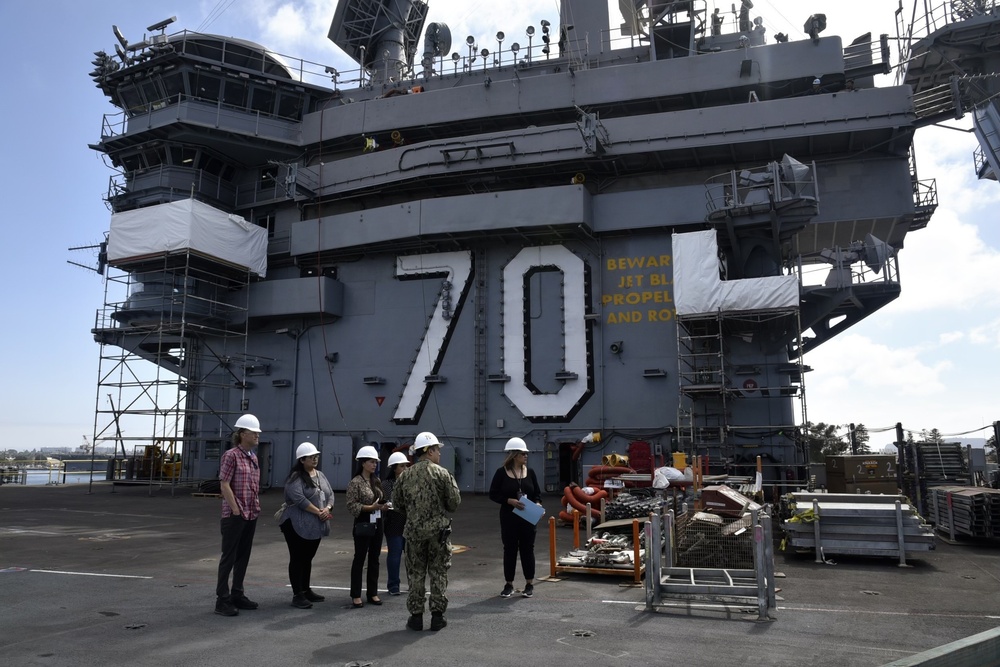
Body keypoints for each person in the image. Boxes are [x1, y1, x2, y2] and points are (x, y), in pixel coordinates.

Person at [392, 431, 461, 632]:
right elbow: (454, 503)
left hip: (413, 533)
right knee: (438, 572)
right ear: (429, 451)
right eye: (437, 450)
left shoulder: (405, 475)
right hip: (438, 533)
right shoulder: (442, 473)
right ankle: (437, 617)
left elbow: (397, 504)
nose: (439, 454)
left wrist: (414, 512)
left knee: (416, 573)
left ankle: (415, 618)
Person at [215, 414, 263, 616]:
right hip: (235, 515)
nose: (257, 436)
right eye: (254, 433)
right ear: (242, 434)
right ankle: (222, 600)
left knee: (243, 556)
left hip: (251, 514)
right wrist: (235, 509)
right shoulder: (231, 455)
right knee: (229, 557)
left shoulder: (253, 457)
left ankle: (237, 593)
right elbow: (224, 483)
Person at [278, 442, 334, 609]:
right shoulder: (295, 478)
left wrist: (328, 508)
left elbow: (330, 495)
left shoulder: (320, 475)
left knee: (308, 557)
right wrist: (319, 512)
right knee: (297, 557)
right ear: (302, 460)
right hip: (295, 523)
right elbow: (300, 500)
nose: (315, 459)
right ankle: (297, 594)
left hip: (314, 524)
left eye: (316, 456)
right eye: (311, 457)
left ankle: (306, 589)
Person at [488, 437, 543, 599]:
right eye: (523, 454)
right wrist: (509, 501)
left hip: (527, 517)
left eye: (526, 454)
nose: (526, 456)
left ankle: (529, 583)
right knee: (510, 550)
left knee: (528, 549)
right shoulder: (501, 473)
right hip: (509, 518)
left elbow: (537, 494)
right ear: (514, 455)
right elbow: (493, 494)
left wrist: (538, 504)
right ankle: (509, 584)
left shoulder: (530, 472)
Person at [345, 444, 387, 608]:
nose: (374, 465)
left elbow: (380, 498)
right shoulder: (355, 482)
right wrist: (371, 508)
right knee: (360, 558)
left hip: (378, 521)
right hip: (363, 522)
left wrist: (382, 506)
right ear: (362, 463)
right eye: (371, 462)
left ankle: (373, 592)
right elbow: (351, 505)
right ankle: (356, 594)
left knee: (374, 558)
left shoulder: (376, 481)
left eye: (375, 462)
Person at [382, 451, 410, 596]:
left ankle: (414, 583)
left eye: (406, 466)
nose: (405, 468)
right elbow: (390, 501)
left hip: (409, 524)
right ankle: (393, 585)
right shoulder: (387, 484)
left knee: (412, 556)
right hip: (394, 524)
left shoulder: (411, 482)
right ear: (394, 468)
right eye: (402, 466)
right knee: (395, 554)